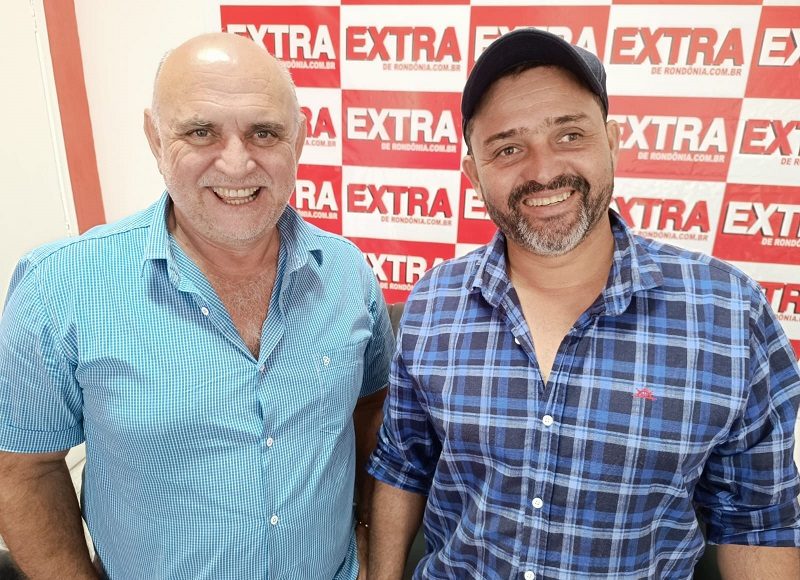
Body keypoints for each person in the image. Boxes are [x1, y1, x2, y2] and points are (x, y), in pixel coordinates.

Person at [367, 28, 800, 579]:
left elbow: (758, 521)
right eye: (508, 148)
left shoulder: (729, 313)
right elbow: (402, 466)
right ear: (474, 174)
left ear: (612, 141)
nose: (544, 170)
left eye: (569, 135)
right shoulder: (433, 303)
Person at [0, 32, 393, 579]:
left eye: (263, 132)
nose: (236, 164)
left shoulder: (348, 272)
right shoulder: (58, 286)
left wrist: (371, 544)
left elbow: (371, 409)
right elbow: (25, 470)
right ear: (155, 138)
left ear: (299, 142)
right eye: (200, 132)